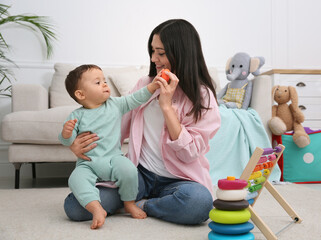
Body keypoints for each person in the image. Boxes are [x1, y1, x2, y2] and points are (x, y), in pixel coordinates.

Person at [64, 19, 221, 225]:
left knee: (199, 204)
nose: (154, 58)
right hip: (138, 174)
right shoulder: (146, 85)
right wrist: (77, 145)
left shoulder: (203, 96)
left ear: (182, 53)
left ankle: (143, 205)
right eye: (152, 51)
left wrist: (166, 108)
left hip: (180, 180)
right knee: (75, 207)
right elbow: (114, 127)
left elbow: (189, 153)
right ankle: (139, 200)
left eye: (161, 53)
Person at [59, 64, 162, 229]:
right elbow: (68, 141)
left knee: (128, 170)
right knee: (75, 179)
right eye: (98, 82)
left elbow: (136, 98)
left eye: (104, 80)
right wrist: (66, 133)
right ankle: (96, 208)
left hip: (114, 159)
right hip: (88, 164)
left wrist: (153, 86)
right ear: (81, 94)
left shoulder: (115, 104)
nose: (105, 84)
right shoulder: (76, 116)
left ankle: (129, 203)